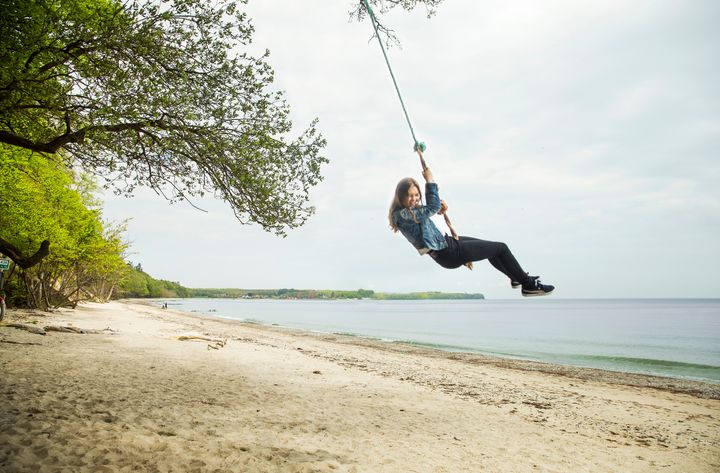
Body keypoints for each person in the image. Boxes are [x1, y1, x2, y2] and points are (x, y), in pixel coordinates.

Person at [388, 167, 555, 297]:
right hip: (448, 253)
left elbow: (428, 210)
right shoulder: (401, 215)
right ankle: (528, 285)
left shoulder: (410, 212)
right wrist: (429, 180)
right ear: (400, 198)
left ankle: (516, 276)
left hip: (448, 244)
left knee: (494, 251)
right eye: (410, 196)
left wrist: (439, 206)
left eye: (416, 195)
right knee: (501, 248)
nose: (414, 199)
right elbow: (430, 208)